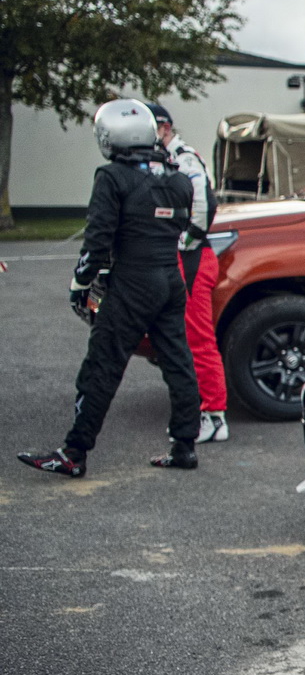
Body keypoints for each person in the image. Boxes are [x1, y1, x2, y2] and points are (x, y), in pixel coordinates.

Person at [19, 101, 201, 477]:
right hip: (170, 279)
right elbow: (184, 227)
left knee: (102, 366)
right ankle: (185, 446)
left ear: (110, 136)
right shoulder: (179, 179)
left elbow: (98, 241)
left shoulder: (113, 177)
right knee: (178, 363)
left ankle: (74, 453)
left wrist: (81, 283)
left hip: (132, 282)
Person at [150, 103, 227, 443]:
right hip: (176, 259)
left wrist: (183, 243)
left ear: (164, 127)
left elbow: (203, 206)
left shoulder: (183, 156)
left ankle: (215, 416)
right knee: (176, 338)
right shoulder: (160, 159)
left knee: (198, 339)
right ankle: (196, 410)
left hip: (193, 260)